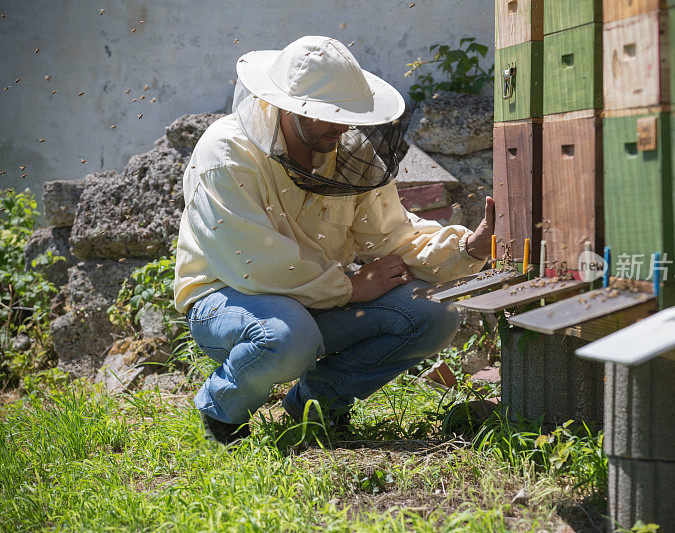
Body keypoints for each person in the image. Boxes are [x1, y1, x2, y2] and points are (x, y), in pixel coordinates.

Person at [173, 35, 495, 445]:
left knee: (434, 315)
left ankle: (313, 407)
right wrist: (351, 288)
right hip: (226, 299)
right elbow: (252, 264)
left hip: (317, 300)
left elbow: (395, 234)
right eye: (329, 114)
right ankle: (221, 413)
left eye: (347, 114)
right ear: (290, 108)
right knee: (288, 337)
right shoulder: (225, 154)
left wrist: (471, 247)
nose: (342, 126)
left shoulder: (347, 152)